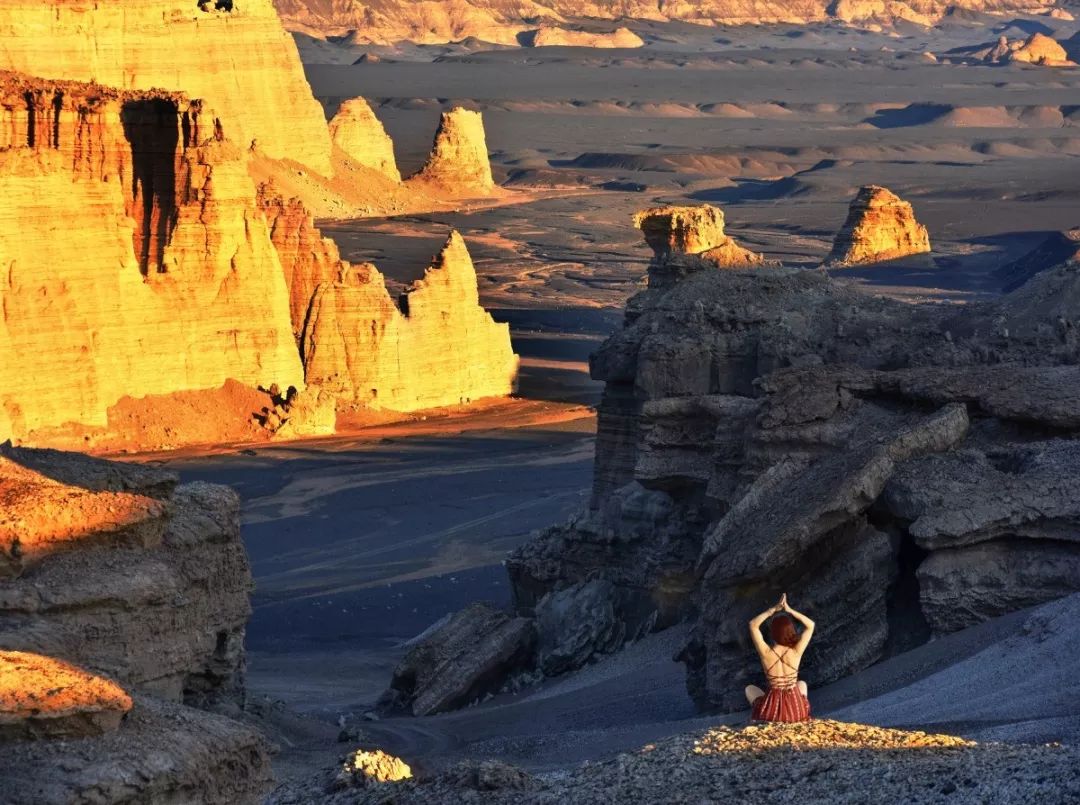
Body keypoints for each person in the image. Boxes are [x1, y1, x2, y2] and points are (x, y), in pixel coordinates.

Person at [745, 593, 814, 722]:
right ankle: (796, 714)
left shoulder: (766, 653)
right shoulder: (796, 652)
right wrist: (790, 610)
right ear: (791, 631)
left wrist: (772, 610)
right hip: (796, 712)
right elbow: (810, 625)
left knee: (749, 689)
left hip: (771, 713)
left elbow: (753, 625)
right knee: (801, 683)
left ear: (772, 633)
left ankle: (760, 719)